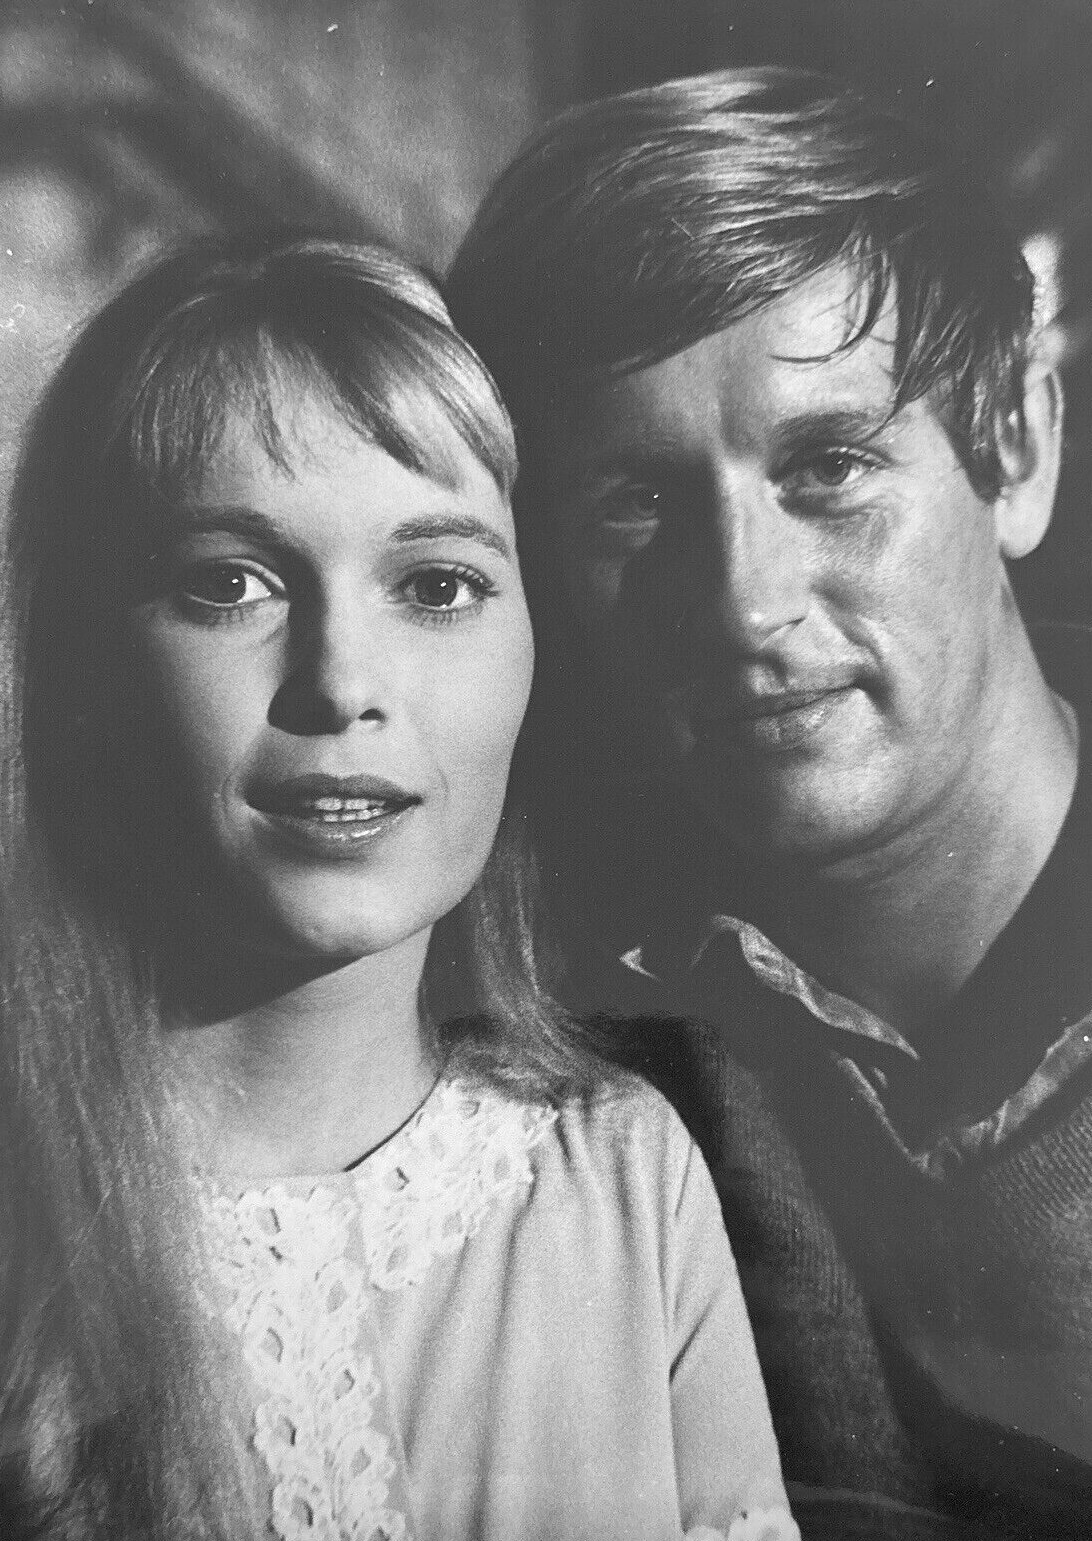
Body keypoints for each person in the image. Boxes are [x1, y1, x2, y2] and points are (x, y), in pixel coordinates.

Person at [0, 236, 797, 1541]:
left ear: (532, 652)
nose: (341, 682)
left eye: (436, 585)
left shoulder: (628, 1184)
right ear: (82, 666)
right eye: (229, 584)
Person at [448, 65, 1092, 1539]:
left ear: (1016, 450)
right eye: (635, 503)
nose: (746, 604)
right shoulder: (552, 1012)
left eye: (830, 466)